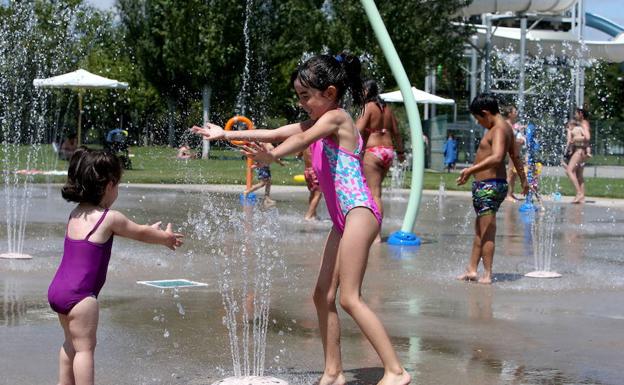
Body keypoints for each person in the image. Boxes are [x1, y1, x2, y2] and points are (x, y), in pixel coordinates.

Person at [192, 52, 410, 385]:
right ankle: (333, 372)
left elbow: (298, 140)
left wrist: (273, 155)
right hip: (343, 220)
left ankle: (396, 371)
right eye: (299, 96)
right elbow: (279, 131)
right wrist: (226, 135)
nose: (302, 102)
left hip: (359, 212)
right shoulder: (322, 120)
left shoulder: (337, 118)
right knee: (321, 295)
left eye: (306, 96)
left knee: (350, 297)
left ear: (331, 93)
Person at [47, 147, 184, 385]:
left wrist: (149, 230)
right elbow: (140, 234)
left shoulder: (75, 213)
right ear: (109, 185)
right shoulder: (109, 218)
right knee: (85, 349)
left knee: (71, 343)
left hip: (58, 290)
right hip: (82, 297)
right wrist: (166, 238)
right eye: (118, 185)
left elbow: (138, 230)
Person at [456, 94, 528, 284]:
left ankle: (487, 274)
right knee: (481, 228)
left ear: (486, 113)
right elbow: (516, 156)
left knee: (487, 230)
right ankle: (472, 269)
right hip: (491, 185)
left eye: (479, 119)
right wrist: (524, 180)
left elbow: (497, 157)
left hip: (489, 185)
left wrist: (471, 170)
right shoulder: (507, 129)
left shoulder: (497, 129)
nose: (479, 123)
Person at [356, 79, 405, 243]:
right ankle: (370, 229)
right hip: (388, 151)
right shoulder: (387, 109)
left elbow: (357, 129)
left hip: (373, 151)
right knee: (375, 192)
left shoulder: (369, 107)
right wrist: (401, 152)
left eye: (362, 90)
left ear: (367, 91)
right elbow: (397, 133)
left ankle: (375, 234)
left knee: (374, 193)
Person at [244, 142, 284, 207]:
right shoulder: (270, 146)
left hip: (263, 166)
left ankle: (267, 199)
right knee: (263, 183)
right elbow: (274, 157)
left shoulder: (265, 143)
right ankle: (247, 192)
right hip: (263, 166)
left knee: (268, 182)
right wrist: (281, 163)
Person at [565, 108, 591, 203]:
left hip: (580, 150)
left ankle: (579, 193)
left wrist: (575, 139)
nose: (575, 115)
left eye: (576, 113)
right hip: (580, 150)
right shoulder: (583, 123)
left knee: (569, 170)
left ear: (581, 114)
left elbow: (587, 137)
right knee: (579, 174)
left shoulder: (584, 123)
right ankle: (582, 197)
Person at [501, 104, 526, 201]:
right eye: (515, 112)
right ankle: (507, 194)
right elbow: (507, 140)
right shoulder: (507, 124)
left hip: (515, 151)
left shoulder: (513, 124)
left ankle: (511, 193)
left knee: (514, 173)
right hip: (510, 152)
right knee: (510, 173)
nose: (517, 113)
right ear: (510, 114)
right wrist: (518, 141)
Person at [301, 146, 322, 220]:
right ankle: (308, 216)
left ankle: (313, 214)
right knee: (318, 194)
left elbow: (298, 154)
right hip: (314, 171)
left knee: (313, 193)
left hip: (307, 170)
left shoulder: (305, 143)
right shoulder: (315, 143)